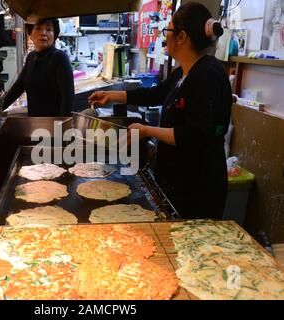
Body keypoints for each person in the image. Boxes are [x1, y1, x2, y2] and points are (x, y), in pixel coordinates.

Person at [89, 2, 232, 220]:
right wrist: (111, 96)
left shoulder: (207, 76)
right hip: (177, 180)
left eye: (169, 31)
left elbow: (193, 135)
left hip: (197, 187)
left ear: (182, 37)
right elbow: (154, 94)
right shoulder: (183, 72)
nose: (166, 38)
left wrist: (146, 130)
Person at [2, 18, 74, 117]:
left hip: (53, 125)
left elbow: (68, 98)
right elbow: (18, 87)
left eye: (48, 30)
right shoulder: (31, 57)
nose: (43, 33)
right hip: (35, 123)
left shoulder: (60, 58)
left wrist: (61, 127)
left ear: (55, 35)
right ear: (30, 34)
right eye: (38, 28)